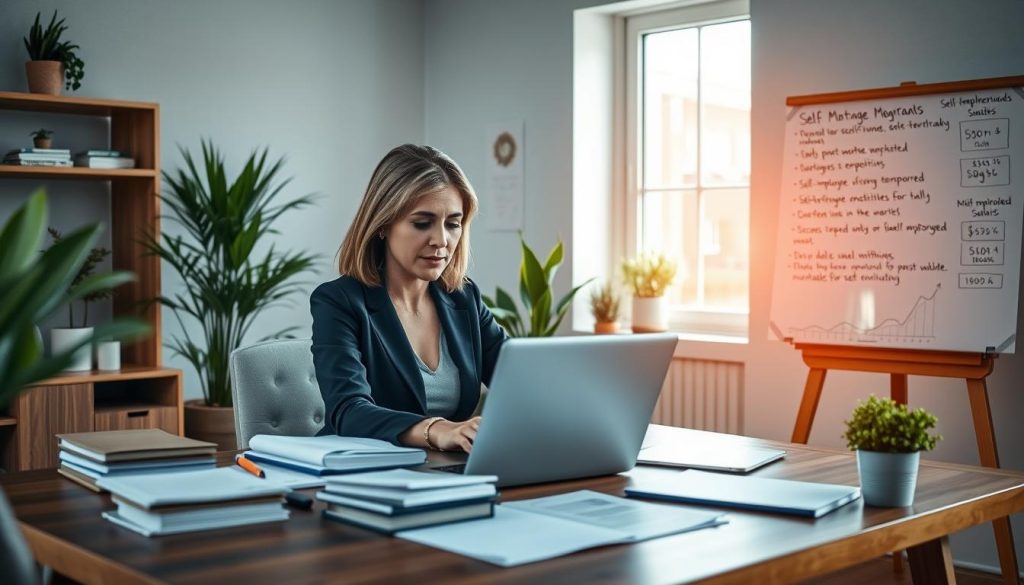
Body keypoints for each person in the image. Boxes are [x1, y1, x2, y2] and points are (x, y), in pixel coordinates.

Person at [310, 144, 507, 453]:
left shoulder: (465, 299)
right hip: (359, 472)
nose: (441, 240)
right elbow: (348, 411)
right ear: (383, 224)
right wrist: (436, 429)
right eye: (422, 223)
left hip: (441, 471)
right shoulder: (339, 302)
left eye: (453, 224)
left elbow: (521, 382)